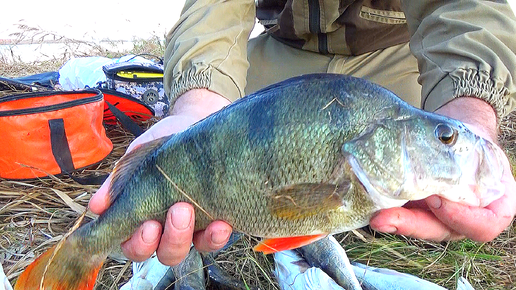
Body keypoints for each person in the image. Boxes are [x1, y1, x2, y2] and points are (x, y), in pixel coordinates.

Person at [89, 0, 516, 267]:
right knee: (219, 131)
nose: (451, 142)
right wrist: (198, 104)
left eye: (445, 140)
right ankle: (88, 249)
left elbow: (467, 9)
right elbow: (213, 9)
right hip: (281, 64)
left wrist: (470, 107)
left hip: (396, 63)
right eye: (446, 139)